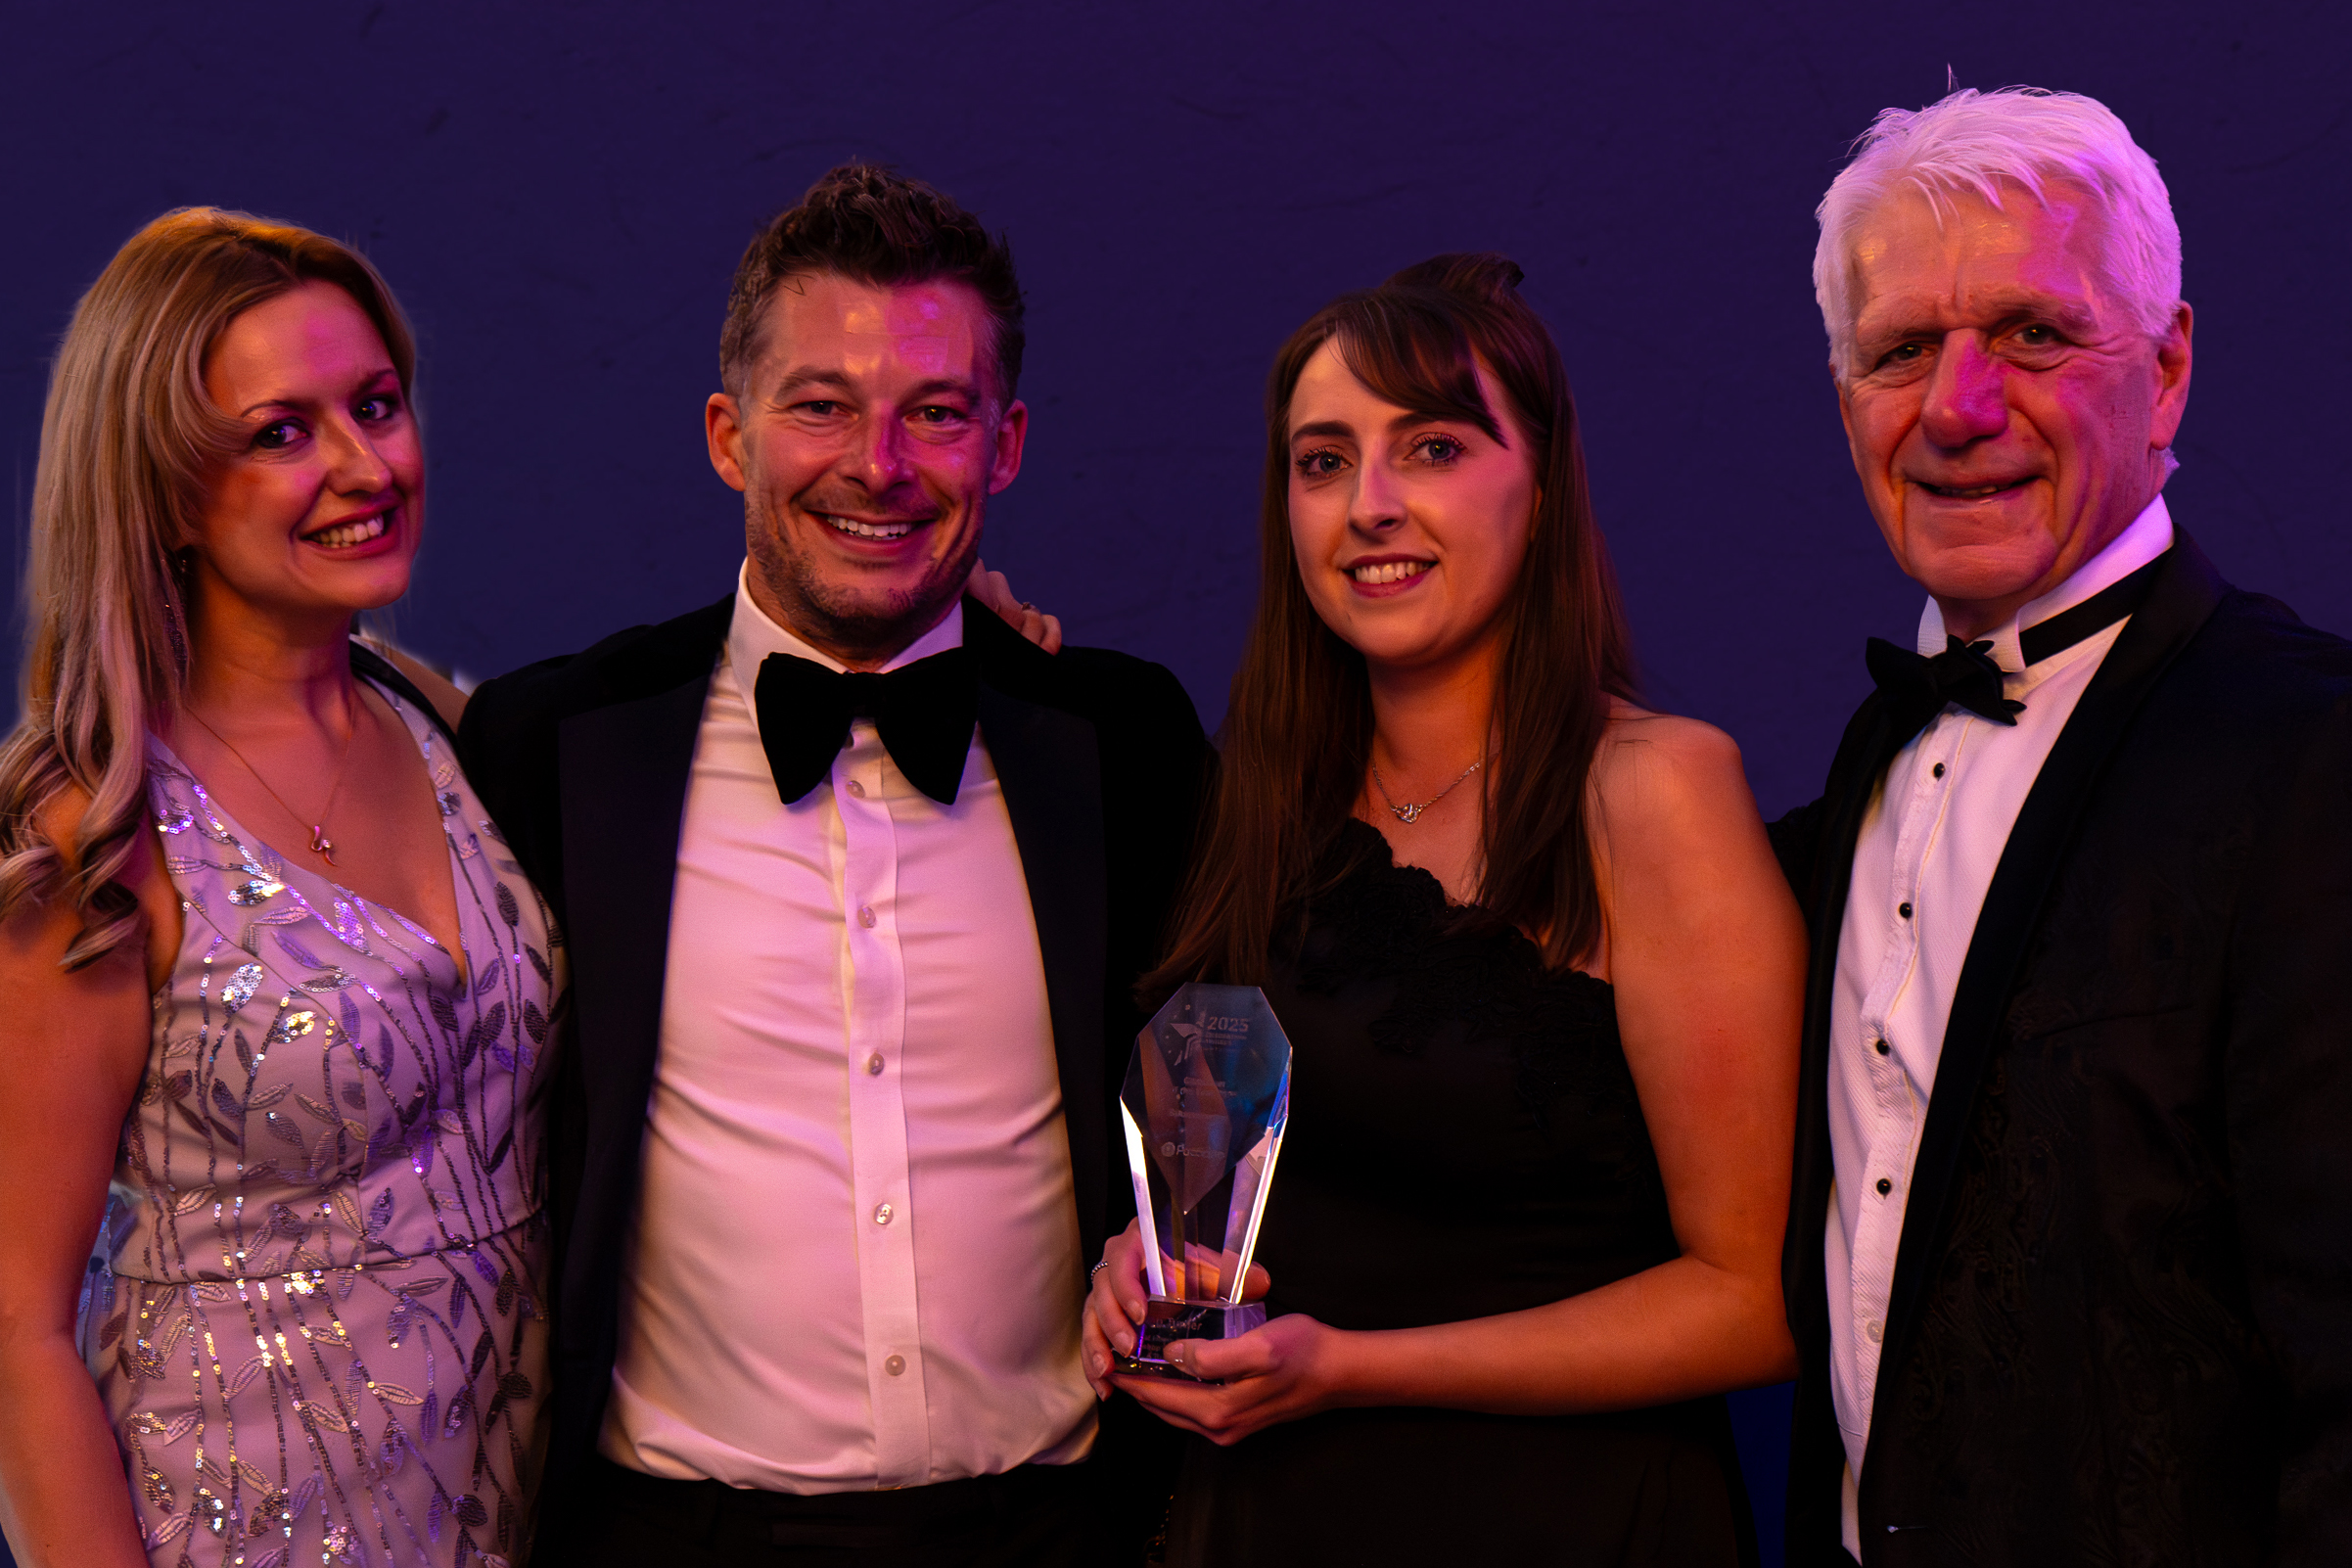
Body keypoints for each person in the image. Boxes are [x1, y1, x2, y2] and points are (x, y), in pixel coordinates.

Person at [454, 163, 1210, 1566]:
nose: (880, 464)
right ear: (728, 436)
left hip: (1058, 1528)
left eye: (938, 412)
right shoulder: (551, 747)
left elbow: (1220, 1081)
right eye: (821, 405)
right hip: (668, 1540)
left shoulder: (1122, 739)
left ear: (1006, 443)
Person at [1082, 254, 1806, 1564]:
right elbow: (1235, 1162)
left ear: (1542, 482)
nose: (1370, 504)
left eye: (1433, 448)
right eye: (1323, 461)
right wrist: (1140, 1268)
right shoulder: (1265, 798)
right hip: (1268, 1523)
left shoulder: (1654, 792)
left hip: (1566, 1527)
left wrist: (1352, 1369)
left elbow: (1754, 1302)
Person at [1773, 86, 2352, 1562]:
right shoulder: (1864, 770)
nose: (1957, 408)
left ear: (2167, 372)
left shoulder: (2316, 755)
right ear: (1846, 399)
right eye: (1901, 350)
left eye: (2033, 334)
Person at [0, 209, 560, 1568]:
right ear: (163, 491)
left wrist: (965, 642)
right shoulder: (99, 831)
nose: (368, 466)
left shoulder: (447, 725)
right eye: (282, 433)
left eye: (376, 405)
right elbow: (13, 1325)